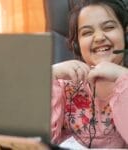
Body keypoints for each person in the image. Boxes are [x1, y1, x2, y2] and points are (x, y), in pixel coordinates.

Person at [51, 0, 128, 148]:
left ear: (125, 35)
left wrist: (123, 78)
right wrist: (50, 76)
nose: (99, 38)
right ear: (77, 45)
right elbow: (41, 140)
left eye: (109, 27)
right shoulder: (64, 89)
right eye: (87, 32)